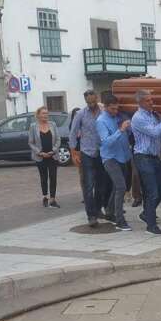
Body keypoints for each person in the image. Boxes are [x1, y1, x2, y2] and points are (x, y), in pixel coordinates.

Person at [131, 90, 161, 236]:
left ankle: (146, 213)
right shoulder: (138, 117)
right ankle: (151, 225)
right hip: (143, 157)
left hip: (155, 156)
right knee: (152, 191)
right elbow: (155, 132)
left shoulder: (152, 115)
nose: (152, 102)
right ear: (141, 102)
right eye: (148, 100)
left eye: (151, 99)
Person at [70, 91, 111, 227]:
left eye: (93, 101)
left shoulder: (104, 112)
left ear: (97, 99)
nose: (91, 104)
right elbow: (73, 132)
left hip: (102, 152)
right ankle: (91, 216)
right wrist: (74, 152)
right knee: (88, 185)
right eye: (89, 102)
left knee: (101, 184)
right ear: (85, 101)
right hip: (87, 153)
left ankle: (98, 209)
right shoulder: (80, 114)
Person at [96, 94, 132, 232]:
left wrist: (127, 128)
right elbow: (106, 142)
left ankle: (110, 212)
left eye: (117, 109)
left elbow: (127, 133)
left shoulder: (118, 117)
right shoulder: (101, 121)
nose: (115, 111)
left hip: (123, 156)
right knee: (121, 187)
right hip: (110, 158)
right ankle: (119, 220)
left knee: (117, 187)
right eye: (112, 109)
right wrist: (121, 130)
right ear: (105, 107)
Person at [28, 107, 61, 209]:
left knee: (53, 177)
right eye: (43, 113)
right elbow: (31, 142)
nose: (45, 115)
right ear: (38, 115)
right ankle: (45, 197)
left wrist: (54, 150)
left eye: (46, 113)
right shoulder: (33, 126)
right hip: (40, 157)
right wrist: (40, 152)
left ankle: (52, 199)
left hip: (52, 156)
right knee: (43, 177)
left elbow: (58, 139)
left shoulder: (53, 124)